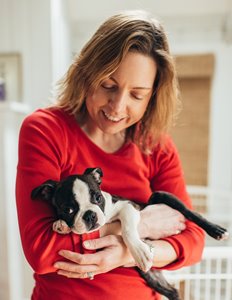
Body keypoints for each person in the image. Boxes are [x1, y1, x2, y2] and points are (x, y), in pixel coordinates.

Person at [16, 10, 205, 300]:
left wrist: (127, 253)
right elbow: (41, 251)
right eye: (108, 85)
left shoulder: (157, 145)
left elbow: (192, 241)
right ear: (86, 73)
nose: (117, 107)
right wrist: (139, 227)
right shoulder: (46, 130)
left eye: (137, 95)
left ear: (153, 96)